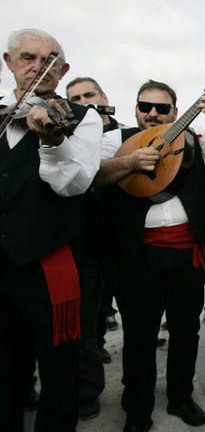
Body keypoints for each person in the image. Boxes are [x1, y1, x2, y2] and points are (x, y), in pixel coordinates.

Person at [97, 79, 205, 432]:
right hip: (135, 257)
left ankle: (181, 397)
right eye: (145, 106)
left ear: (175, 112)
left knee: (186, 332)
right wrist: (130, 162)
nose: (152, 113)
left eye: (162, 108)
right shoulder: (115, 140)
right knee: (139, 336)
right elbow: (94, 176)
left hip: (185, 257)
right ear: (135, 108)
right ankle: (137, 409)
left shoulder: (197, 139)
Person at [0, 28, 103, 432]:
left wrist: (52, 139)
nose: (39, 68)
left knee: (61, 373)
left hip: (50, 263)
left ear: (63, 70)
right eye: (29, 57)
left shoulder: (82, 118)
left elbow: (73, 183)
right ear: (9, 61)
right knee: (6, 369)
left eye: (50, 61)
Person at [64, 76, 118, 419]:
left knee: (98, 317)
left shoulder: (122, 134)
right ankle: (85, 389)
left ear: (104, 96)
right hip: (77, 243)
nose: (83, 100)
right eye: (76, 98)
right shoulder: (65, 137)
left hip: (116, 242)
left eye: (89, 95)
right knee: (82, 323)